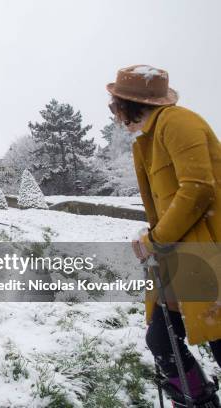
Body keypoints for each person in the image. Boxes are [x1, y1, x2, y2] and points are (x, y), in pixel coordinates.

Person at [108, 65, 221, 407]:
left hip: (207, 254)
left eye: (113, 105)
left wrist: (154, 239)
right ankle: (198, 401)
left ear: (126, 104)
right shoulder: (151, 137)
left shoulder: (177, 122)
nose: (113, 114)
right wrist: (152, 234)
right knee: (161, 339)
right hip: (178, 255)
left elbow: (198, 191)